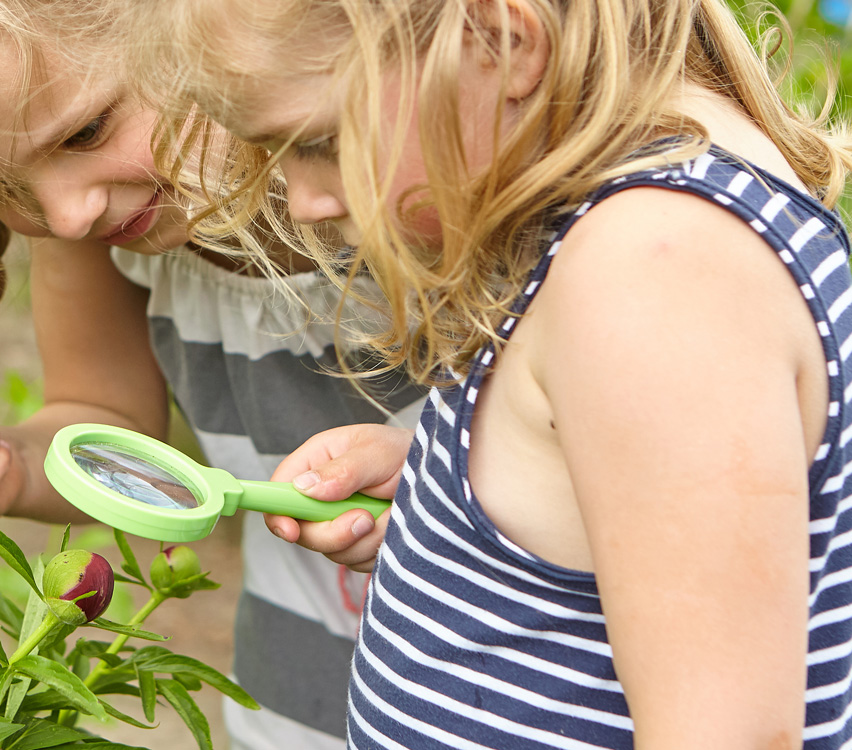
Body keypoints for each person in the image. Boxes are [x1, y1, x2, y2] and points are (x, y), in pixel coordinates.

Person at [135, 0, 852, 745]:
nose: (305, 203)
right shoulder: (599, 219)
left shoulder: (656, 269)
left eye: (318, 141)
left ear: (506, 43)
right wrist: (464, 490)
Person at [0, 2, 424, 748]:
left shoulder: (424, 191)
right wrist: (1, 464)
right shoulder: (104, 222)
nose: (65, 216)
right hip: (298, 713)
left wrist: (443, 497)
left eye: (87, 132)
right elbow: (102, 416)